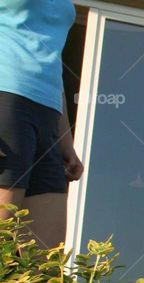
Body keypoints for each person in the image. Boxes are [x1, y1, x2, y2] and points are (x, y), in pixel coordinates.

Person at [0, 0, 84, 249]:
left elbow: (52, 61)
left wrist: (65, 142)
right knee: (3, 234)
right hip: (7, 101)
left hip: (48, 115)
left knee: (45, 256)